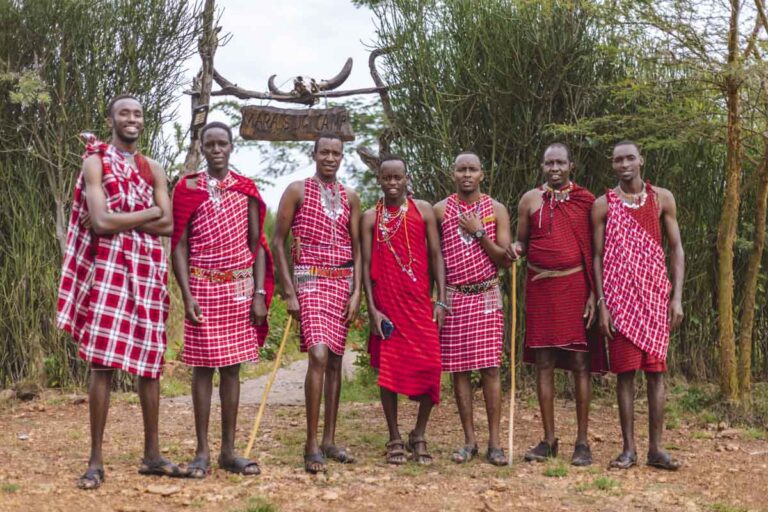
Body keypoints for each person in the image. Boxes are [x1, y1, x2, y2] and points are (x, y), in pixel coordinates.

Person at [57, 95, 183, 489]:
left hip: (148, 270)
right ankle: (95, 460)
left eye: (137, 114)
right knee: (101, 363)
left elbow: (168, 226)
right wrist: (150, 212)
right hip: (108, 268)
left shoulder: (153, 167)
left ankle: (152, 455)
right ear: (111, 119)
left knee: (150, 362)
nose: (132, 119)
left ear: (143, 121)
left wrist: (124, 219)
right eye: (124, 113)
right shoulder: (95, 162)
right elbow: (100, 222)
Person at [171, 121, 274, 478]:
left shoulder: (245, 188)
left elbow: (257, 245)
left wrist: (259, 293)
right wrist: (186, 294)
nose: (216, 150)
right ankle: (201, 451)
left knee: (232, 368)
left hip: (239, 288)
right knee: (202, 368)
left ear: (231, 147)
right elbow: (179, 245)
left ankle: (228, 451)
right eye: (210, 144)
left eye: (222, 144)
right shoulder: (187, 187)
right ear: (201, 148)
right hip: (202, 286)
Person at [507, 143, 607, 466]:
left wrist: (593, 294)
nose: (554, 168)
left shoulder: (586, 201)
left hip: (575, 286)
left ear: (570, 165)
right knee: (544, 361)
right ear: (542, 166)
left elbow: (594, 251)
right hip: (540, 288)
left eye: (560, 163)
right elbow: (522, 240)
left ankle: (582, 442)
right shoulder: (529, 200)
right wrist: (516, 248)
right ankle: (549, 440)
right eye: (549, 163)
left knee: (580, 362)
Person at [272, 133, 362, 474]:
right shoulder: (297, 190)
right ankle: (310, 444)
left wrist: (357, 291)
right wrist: (288, 291)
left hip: (342, 282)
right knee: (319, 354)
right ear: (314, 154)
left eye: (336, 153)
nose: (329, 158)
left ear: (342, 157)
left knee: (336, 361)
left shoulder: (351, 197)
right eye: (324, 152)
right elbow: (278, 242)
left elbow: (358, 249)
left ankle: (329, 440)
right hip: (309, 279)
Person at [592, 140, 684, 471]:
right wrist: (602, 303)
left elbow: (676, 248)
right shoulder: (603, 204)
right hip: (620, 300)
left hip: (656, 298)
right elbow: (597, 256)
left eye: (630, 158)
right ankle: (628, 449)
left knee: (656, 374)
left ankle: (656, 449)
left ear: (641, 160)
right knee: (625, 374)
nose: (624, 164)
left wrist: (676, 297)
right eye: (618, 160)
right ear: (612, 164)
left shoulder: (662, 198)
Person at [361, 155, 445, 465]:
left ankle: (418, 433)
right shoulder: (370, 217)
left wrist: (441, 299)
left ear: (407, 178)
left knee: (432, 366)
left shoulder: (423, 210)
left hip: (420, 303)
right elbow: (365, 267)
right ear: (379, 180)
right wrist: (372, 310)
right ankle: (394, 436)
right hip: (387, 304)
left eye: (398, 177)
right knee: (389, 372)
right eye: (387, 178)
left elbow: (436, 255)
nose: (393, 183)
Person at [434, 151, 512, 466]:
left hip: (487, 294)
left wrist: (479, 231)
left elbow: (505, 259)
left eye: (473, 169)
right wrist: (439, 299)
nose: (467, 175)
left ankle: (495, 443)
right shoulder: (441, 210)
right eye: (461, 169)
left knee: (491, 368)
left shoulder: (496, 209)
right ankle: (469, 441)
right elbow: (436, 259)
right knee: (459, 370)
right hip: (455, 296)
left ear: (482, 174)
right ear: (453, 174)